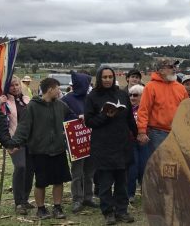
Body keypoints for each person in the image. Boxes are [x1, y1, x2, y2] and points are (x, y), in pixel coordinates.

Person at [9, 78, 73, 220]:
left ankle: (57, 207)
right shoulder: (32, 107)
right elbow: (23, 128)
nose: (59, 91)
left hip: (58, 149)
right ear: (50, 89)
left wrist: (77, 122)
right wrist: (14, 144)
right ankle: (41, 208)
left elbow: (71, 117)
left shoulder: (61, 105)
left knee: (59, 181)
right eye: (57, 88)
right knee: (41, 182)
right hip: (39, 151)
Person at [84, 66, 137, 224]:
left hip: (122, 144)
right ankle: (108, 212)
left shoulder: (121, 94)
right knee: (106, 183)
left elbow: (129, 119)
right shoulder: (92, 96)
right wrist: (105, 116)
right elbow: (89, 121)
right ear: (99, 78)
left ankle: (122, 211)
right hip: (103, 146)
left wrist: (137, 133)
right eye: (104, 77)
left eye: (110, 77)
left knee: (122, 181)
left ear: (114, 78)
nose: (107, 80)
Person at [61, 71, 97, 212]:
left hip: (89, 139)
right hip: (75, 141)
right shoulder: (66, 99)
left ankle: (88, 197)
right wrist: (77, 118)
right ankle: (77, 198)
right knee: (77, 172)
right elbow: (62, 118)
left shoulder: (90, 98)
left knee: (89, 171)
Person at [0, 76, 35, 215]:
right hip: (15, 141)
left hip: (30, 141)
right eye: (11, 86)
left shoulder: (27, 100)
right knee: (20, 167)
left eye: (16, 85)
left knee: (30, 170)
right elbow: (0, 121)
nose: (14, 87)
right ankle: (19, 202)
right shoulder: (5, 102)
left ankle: (25, 199)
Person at [136, 59, 188, 154]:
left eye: (175, 67)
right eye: (171, 67)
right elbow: (144, 110)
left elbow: (186, 110)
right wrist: (142, 131)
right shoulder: (150, 87)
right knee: (160, 165)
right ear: (161, 70)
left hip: (178, 132)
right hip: (158, 133)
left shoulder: (181, 88)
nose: (174, 69)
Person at [127, 84, 149, 204]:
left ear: (142, 96)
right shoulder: (126, 109)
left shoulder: (147, 109)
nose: (132, 97)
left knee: (144, 168)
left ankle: (146, 192)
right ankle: (130, 194)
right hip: (131, 142)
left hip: (144, 142)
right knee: (133, 168)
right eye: (130, 95)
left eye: (135, 95)